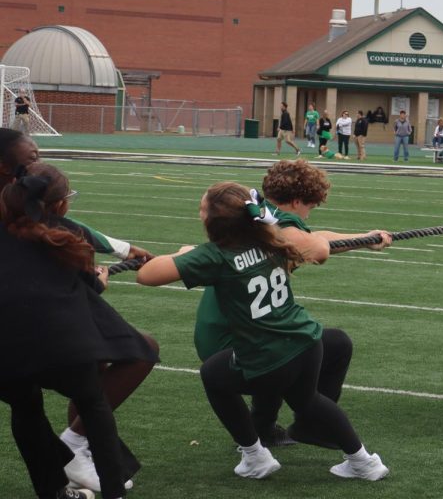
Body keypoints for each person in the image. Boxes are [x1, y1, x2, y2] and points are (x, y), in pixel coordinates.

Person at [137, 181, 389, 481]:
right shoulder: (274, 240)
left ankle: (255, 454)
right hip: (306, 341)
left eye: (202, 208)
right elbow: (318, 244)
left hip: (268, 354)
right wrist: (364, 238)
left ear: (214, 221)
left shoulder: (215, 255)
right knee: (308, 400)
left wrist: (182, 254)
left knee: (213, 374)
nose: (199, 213)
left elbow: (146, 275)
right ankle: (364, 461)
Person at [191, 159, 392, 448]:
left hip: (239, 331)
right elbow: (314, 246)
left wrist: (365, 239)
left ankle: (268, 426)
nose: (309, 215)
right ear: (297, 201)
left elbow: (314, 238)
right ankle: (306, 424)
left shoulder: (262, 217)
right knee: (293, 347)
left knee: (321, 341)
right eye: (310, 207)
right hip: (229, 342)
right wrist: (363, 240)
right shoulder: (278, 227)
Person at [1, 130, 156, 493]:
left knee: (27, 403)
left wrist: (120, 249)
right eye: (30, 156)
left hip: (11, 333)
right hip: (56, 326)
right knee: (96, 388)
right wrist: (100, 274)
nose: (36, 161)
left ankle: (56, 483)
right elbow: (72, 240)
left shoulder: (35, 213)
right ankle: (92, 470)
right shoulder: (57, 225)